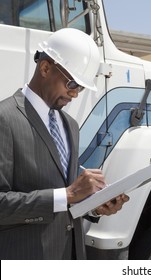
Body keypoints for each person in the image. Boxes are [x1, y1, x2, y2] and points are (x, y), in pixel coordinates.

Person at [0, 28, 129, 260]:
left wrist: (94, 205)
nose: (76, 95)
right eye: (72, 84)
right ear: (45, 68)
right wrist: (68, 194)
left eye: (80, 88)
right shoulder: (5, 118)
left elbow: (67, 194)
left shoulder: (70, 125)